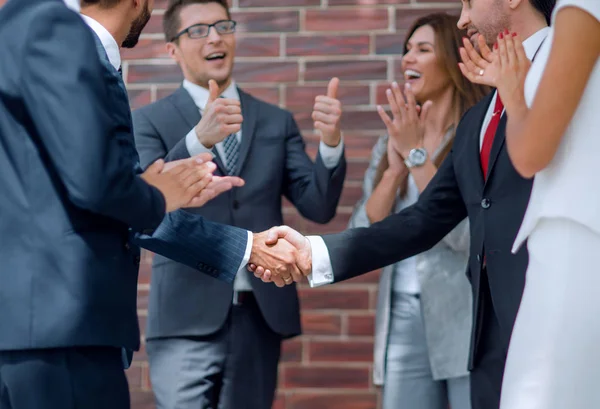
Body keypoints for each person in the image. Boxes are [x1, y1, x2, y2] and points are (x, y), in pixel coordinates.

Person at [251, 1, 557, 408]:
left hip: (556, 329)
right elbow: (425, 218)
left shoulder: (572, 75)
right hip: (489, 345)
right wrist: (313, 253)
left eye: (468, 3)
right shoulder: (480, 119)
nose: (462, 20)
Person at [0, 0, 303, 408]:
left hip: (32, 331)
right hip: (61, 332)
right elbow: (100, 187)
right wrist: (159, 194)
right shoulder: (59, 31)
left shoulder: (17, 31)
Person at [132, 1, 346, 407]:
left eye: (223, 26)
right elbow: (147, 201)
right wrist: (199, 140)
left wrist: (331, 144)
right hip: (185, 315)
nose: (214, 37)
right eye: (198, 30)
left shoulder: (274, 120)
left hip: (259, 313)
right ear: (172, 50)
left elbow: (317, 206)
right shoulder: (149, 121)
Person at [458, 1, 600, 408]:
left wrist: (513, 94)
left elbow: (530, 153)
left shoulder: (579, 12)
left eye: (469, 1)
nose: (462, 18)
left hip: (573, 248)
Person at [348, 13, 488, 409]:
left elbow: (467, 236)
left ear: (450, 59)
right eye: (407, 49)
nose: (409, 58)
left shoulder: (475, 136)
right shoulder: (395, 135)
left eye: (423, 49)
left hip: (463, 315)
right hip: (401, 315)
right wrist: (395, 169)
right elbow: (364, 228)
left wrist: (415, 156)